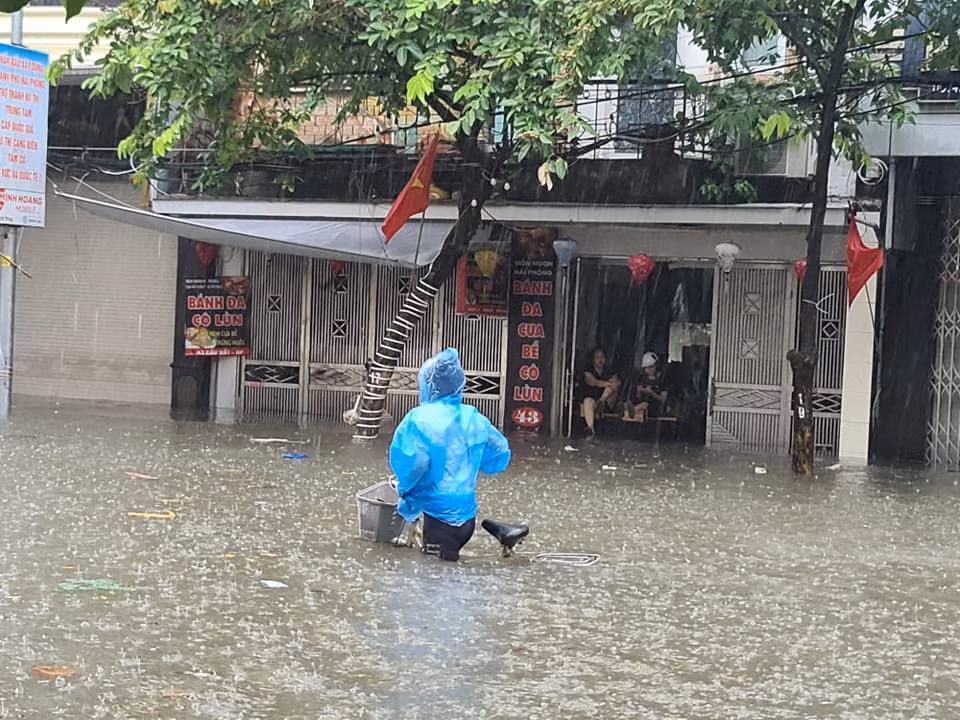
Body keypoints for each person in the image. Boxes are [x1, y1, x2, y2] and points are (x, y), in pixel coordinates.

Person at [389, 347, 512, 562]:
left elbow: (414, 465)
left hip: (438, 519)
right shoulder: (473, 416)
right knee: (446, 572)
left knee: (435, 577)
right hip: (467, 517)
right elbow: (500, 451)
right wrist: (472, 460)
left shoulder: (419, 419)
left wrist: (404, 490)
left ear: (428, 384)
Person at [579, 348, 621, 438]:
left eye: (602, 357)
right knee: (587, 400)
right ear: (593, 360)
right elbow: (592, 382)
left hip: (607, 402)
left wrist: (611, 384)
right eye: (597, 357)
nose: (600, 360)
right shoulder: (588, 371)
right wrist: (608, 383)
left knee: (613, 386)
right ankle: (590, 429)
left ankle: (601, 401)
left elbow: (616, 383)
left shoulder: (610, 371)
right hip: (593, 402)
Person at [629, 351, 668, 418]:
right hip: (642, 408)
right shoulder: (641, 378)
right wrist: (639, 391)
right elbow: (638, 397)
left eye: (650, 367)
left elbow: (663, 400)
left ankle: (631, 411)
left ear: (656, 366)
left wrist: (652, 393)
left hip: (655, 408)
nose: (648, 370)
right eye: (645, 368)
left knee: (645, 404)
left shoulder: (662, 380)